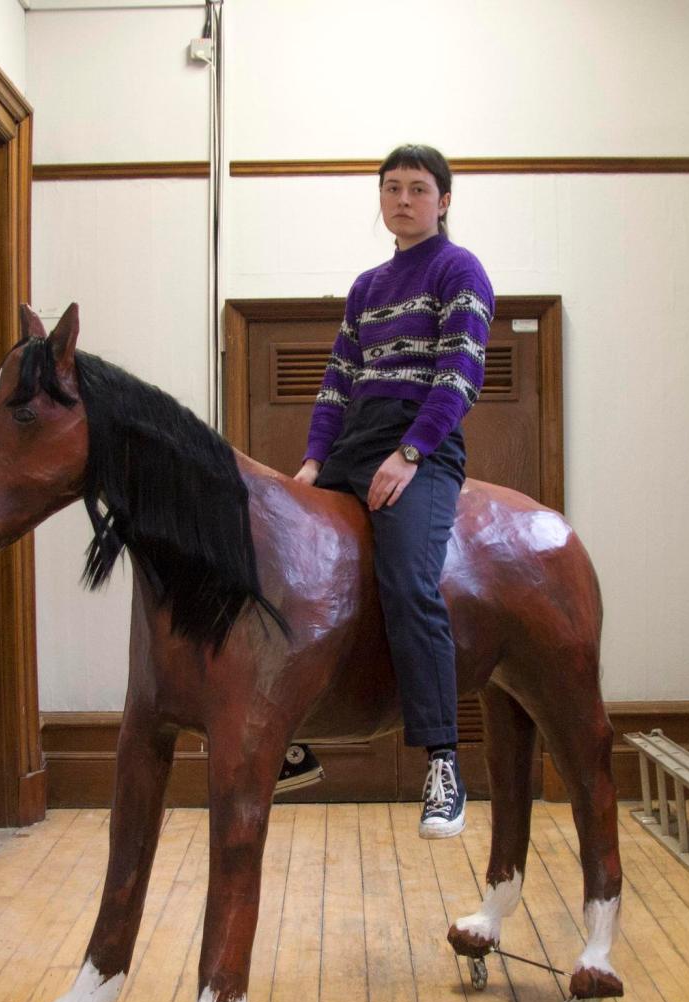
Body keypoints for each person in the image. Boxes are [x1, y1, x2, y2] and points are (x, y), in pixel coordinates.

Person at [274, 144, 494, 839]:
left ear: (444, 200)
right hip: (353, 445)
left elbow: (459, 374)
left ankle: (443, 764)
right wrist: (313, 462)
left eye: (418, 188)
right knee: (280, 558)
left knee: (409, 582)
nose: (403, 199)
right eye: (392, 188)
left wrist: (411, 453)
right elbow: (337, 382)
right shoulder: (367, 286)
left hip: (421, 446)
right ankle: (288, 736)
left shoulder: (460, 270)